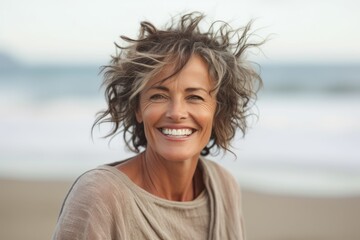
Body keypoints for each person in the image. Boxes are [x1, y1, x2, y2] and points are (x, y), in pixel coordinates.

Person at [52, 12, 263, 240]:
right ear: (137, 108)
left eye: (195, 97)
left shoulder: (224, 187)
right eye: (158, 96)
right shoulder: (100, 197)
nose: (176, 113)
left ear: (218, 109)